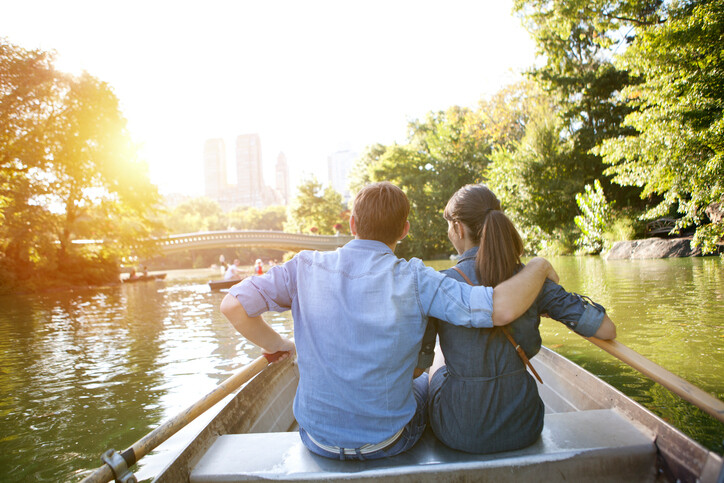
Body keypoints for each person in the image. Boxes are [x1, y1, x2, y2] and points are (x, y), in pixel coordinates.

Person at [220, 181, 558, 461]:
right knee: (426, 380)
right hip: (389, 442)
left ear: (352, 225)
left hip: (316, 440)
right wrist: (539, 267)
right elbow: (498, 309)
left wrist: (278, 345)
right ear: (405, 230)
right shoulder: (415, 277)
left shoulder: (303, 267)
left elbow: (233, 306)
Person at [426, 184, 617, 455]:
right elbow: (606, 328)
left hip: (459, 432)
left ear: (458, 228)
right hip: (524, 427)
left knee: (437, 363)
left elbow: (417, 363)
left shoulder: (442, 283)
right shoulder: (532, 280)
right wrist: (541, 303)